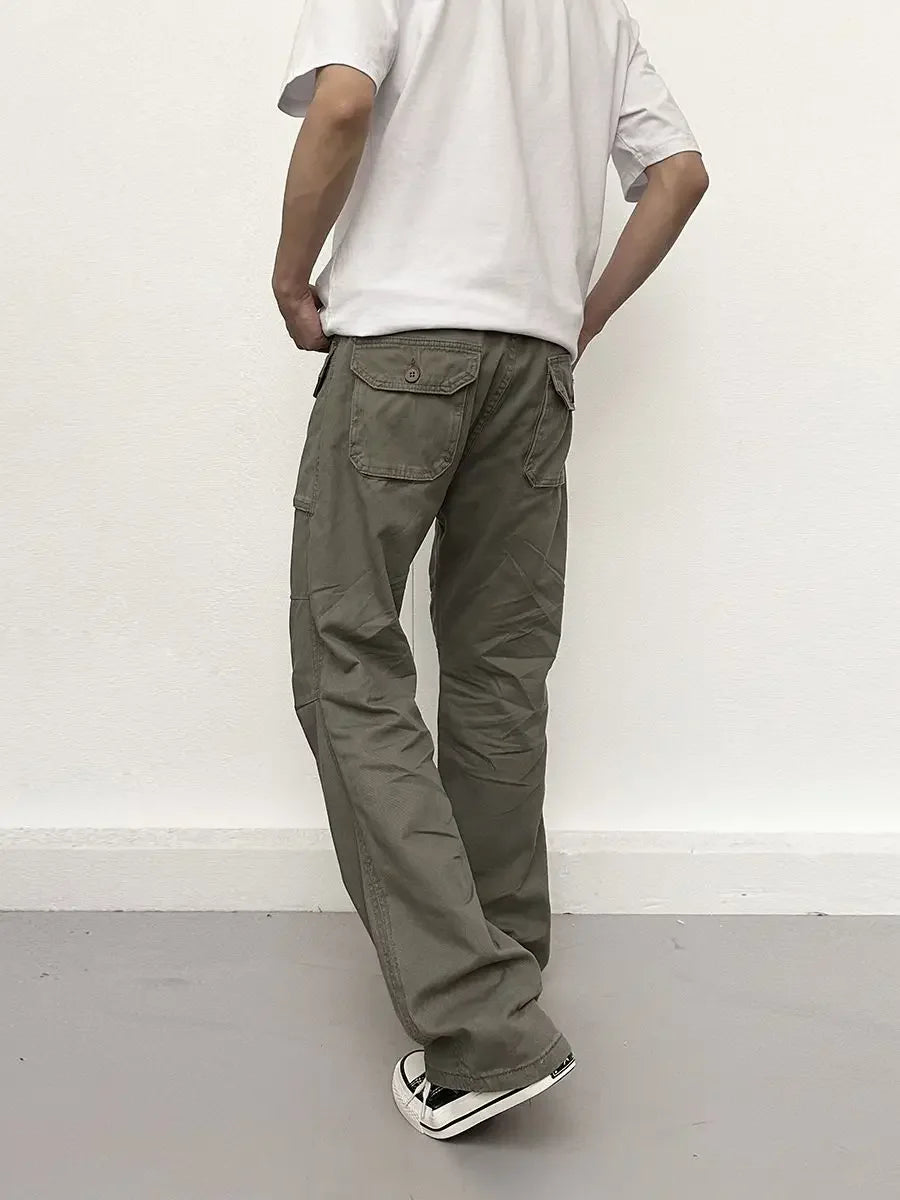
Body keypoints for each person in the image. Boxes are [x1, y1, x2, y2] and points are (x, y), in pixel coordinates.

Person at [272, 0, 708, 1140]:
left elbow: (344, 102)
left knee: (347, 662)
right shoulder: (595, 12)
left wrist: (291, 273)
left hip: (402, 348)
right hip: (534, 364)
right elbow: (680, 175)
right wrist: (576, 319)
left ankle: (481, 1034)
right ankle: (504, 971)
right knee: (498, 676)